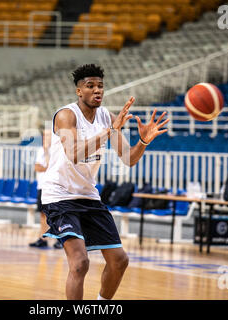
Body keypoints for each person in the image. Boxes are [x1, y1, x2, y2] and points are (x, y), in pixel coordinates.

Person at [40, 64, 169, 300]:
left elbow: (129, 158)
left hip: (88, 196)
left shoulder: (107, 117)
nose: (97, 90)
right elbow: (73, 153)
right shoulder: (66, 115)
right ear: (79, 91)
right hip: (59, 197)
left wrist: (143, 141)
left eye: (100, 86)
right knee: (80, 263)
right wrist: (109, 131)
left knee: (120, 260)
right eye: (90, 86)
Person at [29, 128, 63, 249]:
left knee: (56, 215)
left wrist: (46, 157)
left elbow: (51, 168)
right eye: (44, 136)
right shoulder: (40, 150)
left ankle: (60, 239)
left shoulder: (56, 150)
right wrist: (44, 166)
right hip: (41, 186)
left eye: (48, 136)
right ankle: (42, 238)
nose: (45, 138)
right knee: (42, 214)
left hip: (53, 187)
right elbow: (37, 167)